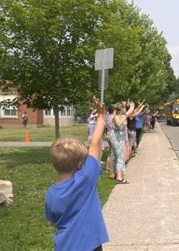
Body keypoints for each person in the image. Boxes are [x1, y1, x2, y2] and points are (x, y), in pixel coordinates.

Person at [44, 97, 108, 250]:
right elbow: (94, 143)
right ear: (80, 164)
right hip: (91, 245)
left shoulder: (51, 194)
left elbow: (52, 218)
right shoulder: (87, 178)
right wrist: (102, 115)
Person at [112, 101, 134, 184]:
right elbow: (118, 124)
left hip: (122, 138)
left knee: (121, 157)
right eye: (123, 107)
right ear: (120, 109)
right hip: (117, 138)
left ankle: (118, 174)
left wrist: (132, 106)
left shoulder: (122, 115)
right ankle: (119, 177)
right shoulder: (116, 116)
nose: (125, 109)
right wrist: (124, 117)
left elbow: (130, 110)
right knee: (120, 157)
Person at [105, 104, 116, 179]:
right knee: (113, 154)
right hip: (113, 135)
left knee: (110, 152)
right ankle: (112, 171)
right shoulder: (112, 117)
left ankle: (107, 168)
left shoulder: (107, 116)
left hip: (108, 135)